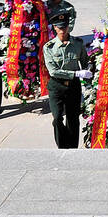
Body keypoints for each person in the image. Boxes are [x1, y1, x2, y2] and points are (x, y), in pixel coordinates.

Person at [43, 10, 91, 148]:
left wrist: (88, 81)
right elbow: (53, 71)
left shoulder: (77, 43)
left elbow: (85, 62)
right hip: (56, 87)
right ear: (54, 28)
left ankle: (73, 148)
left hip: (73, 87)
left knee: (73, 118)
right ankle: (62, 145)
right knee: (57, 118)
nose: (62, 30)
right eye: (59, 27)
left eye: (64, 27)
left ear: (68, 27)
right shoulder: (49, 47)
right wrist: (76, 74)